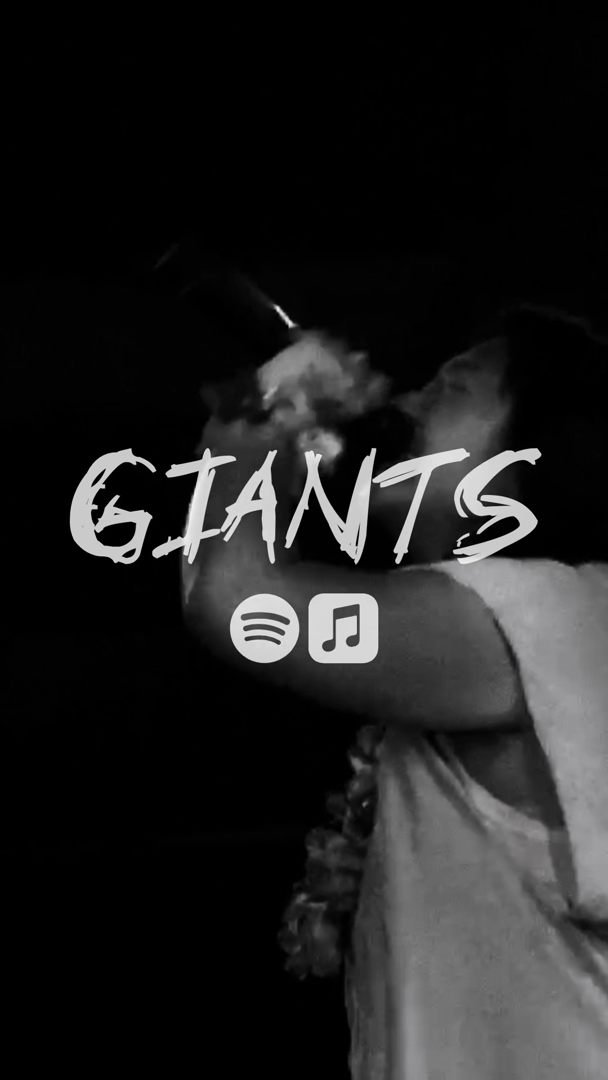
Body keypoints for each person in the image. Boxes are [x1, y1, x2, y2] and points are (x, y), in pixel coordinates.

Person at [182, 303, 608, 1077]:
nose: (408, 403)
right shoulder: (515, 629)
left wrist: (255, 429)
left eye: (452, 389)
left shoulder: (546, 614)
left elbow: (242, 605)